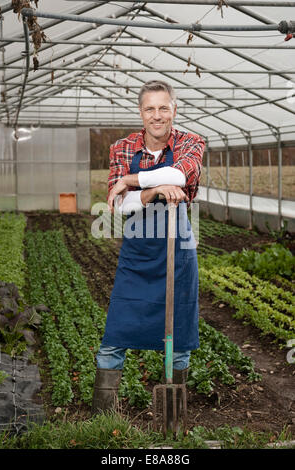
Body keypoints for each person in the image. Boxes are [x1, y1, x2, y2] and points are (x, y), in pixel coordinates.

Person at [91, 80, 205, 414]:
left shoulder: (191, 142)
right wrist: (154, 191)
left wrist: (129, 181)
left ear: (173, 110)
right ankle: (103, 418)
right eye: (150, 109)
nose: (157, 115)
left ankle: (173, 414)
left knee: (180, 339)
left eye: (163, 108)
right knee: (115, 335)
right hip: (137, 254)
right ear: (141, 113)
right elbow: (120, 206)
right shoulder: (122, 148)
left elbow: (181, 176)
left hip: (179, 250)